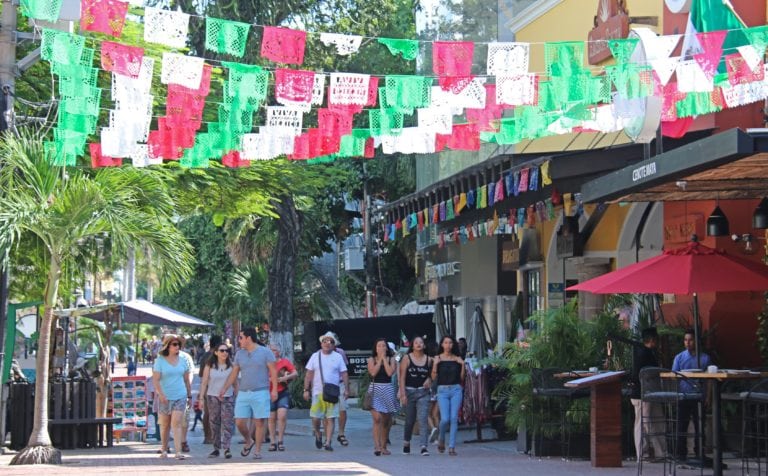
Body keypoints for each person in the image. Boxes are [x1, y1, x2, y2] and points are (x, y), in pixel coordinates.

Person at [220, 327, 277, 460]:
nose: (238, 340)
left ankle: (257, 451)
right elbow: (234, 373)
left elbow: (273, 372)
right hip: (243, 392)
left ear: (248, 338)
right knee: (239, 421)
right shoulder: (240, 354)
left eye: (240, 337)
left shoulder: (266, 352)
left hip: (261, 391)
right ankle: (248, 440)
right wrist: (225, 388)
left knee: (259, 422)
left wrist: (274, 390)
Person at [304, 331, 349, 452]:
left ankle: (328, 442)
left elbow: (344, 373)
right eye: (325, 341)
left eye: (330, 341)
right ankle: (318, 433)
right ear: (321, 343)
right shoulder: (315, 356)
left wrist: (346, 389)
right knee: (315, 418)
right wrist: (306, 390)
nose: (327, 343)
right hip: (317, 392)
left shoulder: (338, 357)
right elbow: (308, 374)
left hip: (333, 392)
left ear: (334, 345)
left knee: (331, 417)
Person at [672, 329, 711, 460]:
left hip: (699, 395)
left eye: (690, 340)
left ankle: (700, 452)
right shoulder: (679, 357)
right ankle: (680, 454)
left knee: (700, 425)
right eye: (685, 340)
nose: (688, 343)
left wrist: (708, 396)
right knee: (681, 425)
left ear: (696, 341)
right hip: (683, 395)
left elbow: (709, 379)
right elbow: (673, 376)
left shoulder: (705, 358)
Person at [152, 334, 193, 460]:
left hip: (180, 395)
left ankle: (178, 452)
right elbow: (156, 380)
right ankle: (164, 449)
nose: (177, 347)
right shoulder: (160, 360)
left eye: (179, 345)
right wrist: (161, 394)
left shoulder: (183, 360)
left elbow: (186, 379)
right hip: (165, 396)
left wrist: (189, 396)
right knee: (165, 425)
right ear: (168, 346)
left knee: (177, 423)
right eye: (174, 344)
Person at [628, 327, 665, 463]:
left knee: (652, 421)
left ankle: (658, 452)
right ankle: (644, 454)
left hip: (648, 392)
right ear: (652, 340)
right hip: (643, 393)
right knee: (644, 422)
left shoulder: (642, 352)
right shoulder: (646, 354)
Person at [198, 342, 237, 459]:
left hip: (228, 396)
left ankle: (227, 448)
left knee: (227, 422)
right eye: (222, 350)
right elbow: (204, 382)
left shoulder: (232, 366)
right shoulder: (210, 366)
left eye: (226, 351)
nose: (225, 353)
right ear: (216, 352)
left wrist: (238, 395)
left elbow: (235, 382)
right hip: (212, 396)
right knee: (214, 422)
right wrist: (201, 398)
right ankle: (216, 448)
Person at [398, 335, 433, 456]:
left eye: (421, 342)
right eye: (416, 342)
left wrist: (429, 379)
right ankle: (406, 442)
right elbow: (402, 377)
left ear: (424, 345)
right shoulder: (407, 358)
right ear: (412, 345)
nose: (419, 344)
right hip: (409, 391)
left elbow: (433, 374)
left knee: (423, 419)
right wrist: (402, 394)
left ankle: (423, 446)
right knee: (410, 421)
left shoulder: (429, 360)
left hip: (423, 392)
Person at [431, 335, 465, 456]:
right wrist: (435, 364)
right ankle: (441, 438)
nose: (448, 345)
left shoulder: (457, 358)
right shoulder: (438, 358)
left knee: (454, 418)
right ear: (442, 344)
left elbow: (461, 378)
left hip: (456, 389)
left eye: (450, 343)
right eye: (445, 343)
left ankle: (451, 446)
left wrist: (463, 365)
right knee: (445, 419)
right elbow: (433, 377)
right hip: (443, 390)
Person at [367, 337, 398, 456]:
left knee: (386, 420)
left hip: (387, 388)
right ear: (375, 348)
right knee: (377, 418)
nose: (381, 348)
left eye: (383, 346)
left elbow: (390, 372)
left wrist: (384, 359)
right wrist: (379, 360)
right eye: (379, 346)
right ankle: (377, 446)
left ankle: (384, 446)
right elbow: (373, 372)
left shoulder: (392, 359)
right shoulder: (371, 359)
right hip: (375, 389)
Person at [267, 343, 298, 452]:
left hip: (282, 392)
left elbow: (295, 373)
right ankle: (272, 441)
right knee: (271, 418)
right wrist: (270, 380)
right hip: (269, 393)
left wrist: (286, 377)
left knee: (282, 415)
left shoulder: (284, 362)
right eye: (270, 350)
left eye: (274, 350)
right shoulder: (265, 363)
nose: (272, 352)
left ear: (278, 352)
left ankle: (280, 440)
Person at [199, 335, 222, 445]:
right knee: (214, 413)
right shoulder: (217, 356)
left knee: (208, 413)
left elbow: (201, 376)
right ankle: (212, 436)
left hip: (208, 387)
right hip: (214, 388)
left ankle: (207, 436)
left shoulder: (205, 356)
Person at [332, 334, 350, 447]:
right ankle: (328, 436)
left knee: (342, 409)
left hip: (340, 384)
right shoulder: (319, 354)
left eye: (332, 342)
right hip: (327, 385)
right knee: (328, 412)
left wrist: (347, 388)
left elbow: (345, 370)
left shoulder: (340, 352)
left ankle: (341, 433)